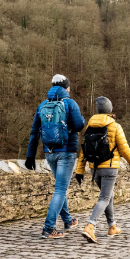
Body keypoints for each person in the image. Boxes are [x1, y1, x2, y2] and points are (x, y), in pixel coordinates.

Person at [25, 74, 86, 239]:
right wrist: (81, 119)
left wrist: (30, 155)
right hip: (67, 152)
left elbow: (34, 132)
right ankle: (48, 228)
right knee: (60, 189)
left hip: (49, 152)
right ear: (67, 88)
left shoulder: (43, 105)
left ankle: (68, 220)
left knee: (60, 187)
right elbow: (79, 125)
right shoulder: (70, 103)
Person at [75, 96, 130, 243]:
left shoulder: (89, 126)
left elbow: (83, 151)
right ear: (110, 110)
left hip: (94, 168)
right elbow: (124, 147)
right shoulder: (115, 126)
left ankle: (112, 226)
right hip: (110, 168)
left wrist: (80, 170)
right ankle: (90, 225)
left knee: (108, 196)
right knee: (104, 198)